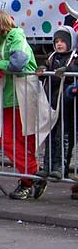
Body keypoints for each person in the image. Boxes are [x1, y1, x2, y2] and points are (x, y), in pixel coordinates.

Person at [0, 9, 47, 200]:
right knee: (4, 138)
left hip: (24, 93)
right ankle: (34, 173)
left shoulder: (16, 36)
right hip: (5, 96)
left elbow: (18, 63)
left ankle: (27, 181)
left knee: (26, 138)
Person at [36, 26, 77, 180]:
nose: (59, 44)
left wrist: (67, 69)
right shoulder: (52, 56)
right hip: (52, 101)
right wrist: (42, 69)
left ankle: (61, 167)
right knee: (49, 134)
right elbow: (46, 67)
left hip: (67, 103)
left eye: (63, 41)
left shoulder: (74, 57)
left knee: (63, 135)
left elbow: (75, 69)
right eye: (57, 41)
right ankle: (47, 165)